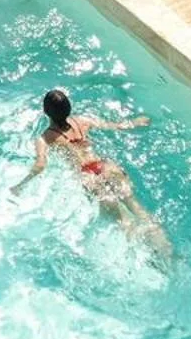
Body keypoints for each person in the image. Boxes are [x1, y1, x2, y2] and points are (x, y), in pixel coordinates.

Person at [11, 88, 169, 258]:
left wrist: (21, 184)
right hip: (106, 167)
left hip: (88, 176)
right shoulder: (82, 121)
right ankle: (166, 252)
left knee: (123, 220)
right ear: (69, 108)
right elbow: (117, 126)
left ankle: (145, 257)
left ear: (45, 112)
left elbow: (40, 165)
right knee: (137, 208)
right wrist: (136, 122)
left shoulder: (45, 138)